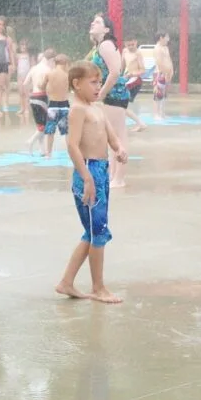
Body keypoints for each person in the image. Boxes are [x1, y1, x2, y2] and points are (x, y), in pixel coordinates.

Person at [54, 60, 128, 303]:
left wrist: (118, 148)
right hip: (88, 171)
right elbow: (72, 145)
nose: (98, 87)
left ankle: (66, 282)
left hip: (101, 169)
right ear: (76, 84)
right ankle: (99, 288)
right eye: (93, 82)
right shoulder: (78, 109)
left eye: (99, 81)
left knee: (93, 232)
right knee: (98, 232)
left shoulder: (96, 108)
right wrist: (86, 177)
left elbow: (109, 134)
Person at [89, 14, 132, 188]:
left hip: (115, 93)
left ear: (107, 29)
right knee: (112, 136)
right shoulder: (101, 45)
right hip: (113, 93)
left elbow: (115, 72)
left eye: (98, 22)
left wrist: (102, 93)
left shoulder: (106, 44)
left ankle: (119, 178)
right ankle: (114, 176)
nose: (93, 23)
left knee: (118, 135)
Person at [24, 48, 54, 154]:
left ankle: (42, 150)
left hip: (33, 97)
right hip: (42, 98)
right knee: (45, 125)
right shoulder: (48, 70)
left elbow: (25, 84)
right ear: (50, 60)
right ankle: (31, 141)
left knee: (39, 125)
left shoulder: (33, 68)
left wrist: (28, 95)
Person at [45, 54, 72, 158]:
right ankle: (71, 152)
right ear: (65, 63)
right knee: (67, 132)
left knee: (50, 131)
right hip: (64, 105)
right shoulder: (67, 75)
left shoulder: (49, 74)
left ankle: (48, 153)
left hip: (52, 105)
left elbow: (41, 86)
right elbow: (71, 88)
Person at [120, 38, 147, 132]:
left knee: (121, 104)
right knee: (121, 104)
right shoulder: (124, 51)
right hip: (127, 79)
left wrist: (132, 74)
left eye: (133, 44)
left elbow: (143, 70)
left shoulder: (138, 53)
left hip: (135, 80)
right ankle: (136, 123)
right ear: (125, 44)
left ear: (136, 42)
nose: (131, 47)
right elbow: (122, 66)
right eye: (129, 45)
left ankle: (140, 123)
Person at [152, 32, 174, 121]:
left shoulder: (165, 48)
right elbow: (159, 62)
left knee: (164, 94)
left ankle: (162, 113)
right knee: (158, 94)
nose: (168, 39)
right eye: (167, 37)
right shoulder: (157, 48)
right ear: (161, 38)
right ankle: (156, 114)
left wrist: (171, 71)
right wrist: (164, 73)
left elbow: (169, 59)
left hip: (167, 72)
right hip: (159, 73)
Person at [16, 39, 32, 123]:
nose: (23, 47)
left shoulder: (29, 55)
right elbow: (16, 65)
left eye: (25, 45)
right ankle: (22, 108)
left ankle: (26, 108)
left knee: (26, 93)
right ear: (19, 46)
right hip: (19, 76)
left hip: (27, 76)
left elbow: (32, 65)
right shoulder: (17, 55)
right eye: (22, 45)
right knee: (21, 93)